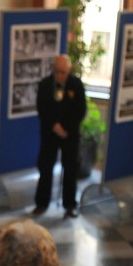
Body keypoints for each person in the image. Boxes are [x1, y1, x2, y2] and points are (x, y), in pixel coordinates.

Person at [33, 54, 88, 218]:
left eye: (63, 72)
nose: (59, 75)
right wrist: (54, 126)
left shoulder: (76, 85)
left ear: (69, 70)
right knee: (45, 167)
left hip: (69, 135)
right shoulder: (45, 85)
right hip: (50, 133)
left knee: (70, 168)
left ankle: (70, 204)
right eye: (57, 72)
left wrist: (66, 129)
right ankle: (42, 203)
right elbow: (42, 108)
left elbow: (80, 110)